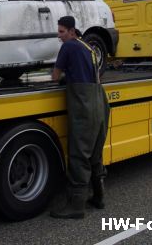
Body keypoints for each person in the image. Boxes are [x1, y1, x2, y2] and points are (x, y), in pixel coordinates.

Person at [50, 16, 110, 219]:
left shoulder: (68, 47)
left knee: (78, 155)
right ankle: (99, 197)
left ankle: (76, 206)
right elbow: (96, 75)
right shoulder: (89, 47)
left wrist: (63, 75)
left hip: (83, 104)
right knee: (95, 153)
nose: (59, 36)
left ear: (71, 31)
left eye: (61, 32)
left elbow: (55, 77)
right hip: (99, 102)